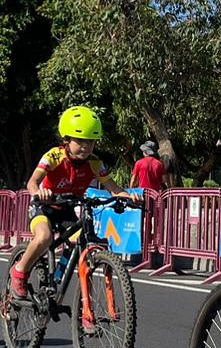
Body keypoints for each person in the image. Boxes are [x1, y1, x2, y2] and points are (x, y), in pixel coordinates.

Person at [9, 106, 138, 299]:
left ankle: (68, 287)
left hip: (68, 209)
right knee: (44, 237)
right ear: (66, 140)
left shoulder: (95, 163)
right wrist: (39, 192)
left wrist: (130, 197)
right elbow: (32, 182)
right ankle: (19, 272)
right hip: (44, 207)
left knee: (82, 242)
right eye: (80, 141)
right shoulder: (54, 156)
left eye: (91, 142)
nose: (86, 146)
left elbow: (113, 188)